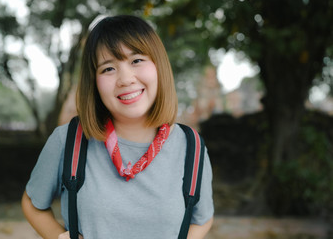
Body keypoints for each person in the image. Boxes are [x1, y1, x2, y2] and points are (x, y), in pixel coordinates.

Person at [21, 15, 214, 239]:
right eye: (108, 69)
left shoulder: (191, 146)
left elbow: (203, 219)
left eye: (136, 60)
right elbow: (33, 203)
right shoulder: (68, 140)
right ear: (94, 82)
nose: (125, 79)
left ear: (158, 65)